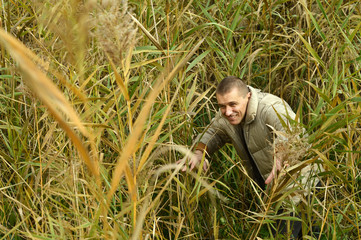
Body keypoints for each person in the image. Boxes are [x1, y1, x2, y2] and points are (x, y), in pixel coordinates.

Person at [180, 76, 321, 238]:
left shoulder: (270, 107)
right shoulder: (225, 117)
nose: (228, 112)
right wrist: (199, 153)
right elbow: (213, 133)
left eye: (233, 104)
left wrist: (282, 154)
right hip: (273, 193)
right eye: (222, 106)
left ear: (247, 96)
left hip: (301, 188)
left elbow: (292, 132)